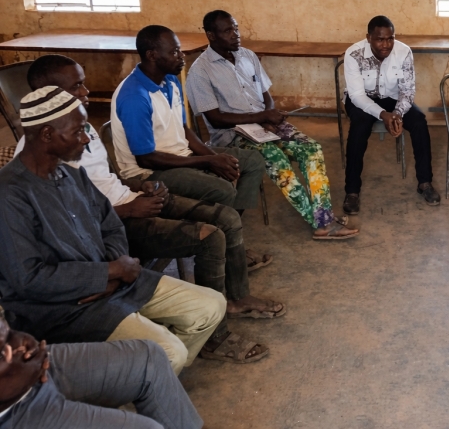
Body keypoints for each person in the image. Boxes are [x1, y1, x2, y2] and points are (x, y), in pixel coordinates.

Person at [13, 55, 280, 364]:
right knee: (210, 237)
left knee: (226, 219)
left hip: (126, 207)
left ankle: (232, 300)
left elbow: (104, 193)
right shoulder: (29, 181)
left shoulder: (71, 144)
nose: (86, 92)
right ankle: (211, 339)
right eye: (77, 86)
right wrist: (120, 238)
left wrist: (138, 189)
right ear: (47, 97)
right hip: (118, 227)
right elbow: (52, 253)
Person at [0, 86, 225, 374]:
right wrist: (107, 273)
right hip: (63, 308)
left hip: (113, 285)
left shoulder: (72, 174)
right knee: (168, 351)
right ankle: (138, 376)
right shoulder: (9, 194)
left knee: (211, 306)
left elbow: (110, 224)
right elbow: (28, 278)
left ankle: (144, 379)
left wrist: (115, 268)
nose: (86, 139)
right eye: (78, 131)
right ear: (46, 134)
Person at [110, 25, 272, 269]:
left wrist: (214, 157)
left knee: (252, 162)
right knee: (222, 190)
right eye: (174, 52)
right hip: (148, 173)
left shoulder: (170, 81)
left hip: (180, 155)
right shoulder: (135, 96)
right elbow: (146, 159)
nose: (181, 56)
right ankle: (227, 250)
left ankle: (228, 237)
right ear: (152, 55)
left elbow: (184, 129)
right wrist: (207, 161)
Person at [186, 10, 357, 240]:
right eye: (228, 31)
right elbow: (215, 119)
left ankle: (323, 216)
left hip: (264, 123)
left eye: (236, 28)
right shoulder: (199, 71)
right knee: (277, 159)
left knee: (311, 149)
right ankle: (323, 223)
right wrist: (259, 118)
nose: (236, 34)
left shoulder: (247, 55)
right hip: (233, 134)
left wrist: (268, 115)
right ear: (211, 35)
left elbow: (266, 94)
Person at [0, 307, 203, 428]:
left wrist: (12, 337)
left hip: (17, 364)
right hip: (7, 410)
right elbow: (30, 279)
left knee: (151, 358)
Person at [342, 15, 440, 213]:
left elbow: (407, 91)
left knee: (419, 122)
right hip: (362, 100)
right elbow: (357, 96)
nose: (386, 44)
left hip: (393, 98)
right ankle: (352, 191)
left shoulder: (404, 52)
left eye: (390, 39)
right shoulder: (354, 54)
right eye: (380, 39)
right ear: (368, 38)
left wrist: (396, 114)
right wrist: (382, 114)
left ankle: (425, 183)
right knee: (359, 125)